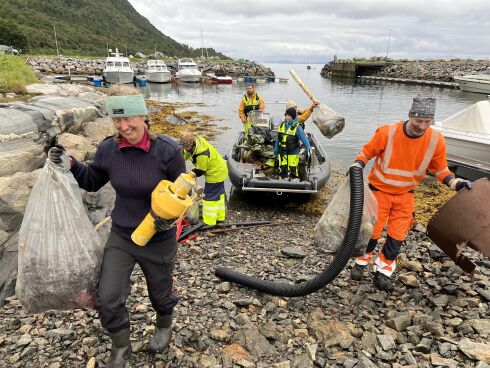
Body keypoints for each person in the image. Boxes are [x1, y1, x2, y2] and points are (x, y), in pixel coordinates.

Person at [49, 85, 186, 368]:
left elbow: (184, 196)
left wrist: (170, 220)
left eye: (130, 119)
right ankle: (121, 346)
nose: (124, 126)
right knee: (108, 296)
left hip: (158, 238)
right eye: (117, 120)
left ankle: (163, 325)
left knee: (160, 292)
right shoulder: (108, 149)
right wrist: (71, 163)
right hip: (122, 234)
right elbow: (91, 180)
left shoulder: (168, 151)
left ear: (144, 116)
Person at [349, 94, 472, 291]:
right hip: (378, 192)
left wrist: (455, 183)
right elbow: (365, 154)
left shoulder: (435, 139)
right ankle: (361, 263)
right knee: (371, 232)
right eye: (418, 121)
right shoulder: (387, 132)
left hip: (406, 195)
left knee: (397, 237)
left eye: (427, 121)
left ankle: (383, 272)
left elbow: (441, 170)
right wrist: (357, 165)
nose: (422, 126)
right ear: (410, 116)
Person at [181, 133, 228, 226]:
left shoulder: (202, 153)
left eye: (186, 146)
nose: (185, 148)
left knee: (209, 198)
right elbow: (185, 154)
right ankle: (220, 217)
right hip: (221, 169)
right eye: (183, 146)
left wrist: (190, 174)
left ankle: (209, 222)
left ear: (192, 144)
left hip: (215, 174)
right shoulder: (194, 145)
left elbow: (200, 170)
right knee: (219, 195)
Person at [274, 107, 312, 180]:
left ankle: (294, 180)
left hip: (293, 152)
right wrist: (276, 151)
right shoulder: (281, 126)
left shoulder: (297, 127)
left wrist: (308, 148)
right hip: (282, 152)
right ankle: (282, 180)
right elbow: (278, 140)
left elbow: (304, 139)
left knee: (293, 169)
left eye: (288, 115)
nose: (286, 116)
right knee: (283, 168)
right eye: (285, 115)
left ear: (292, 116)